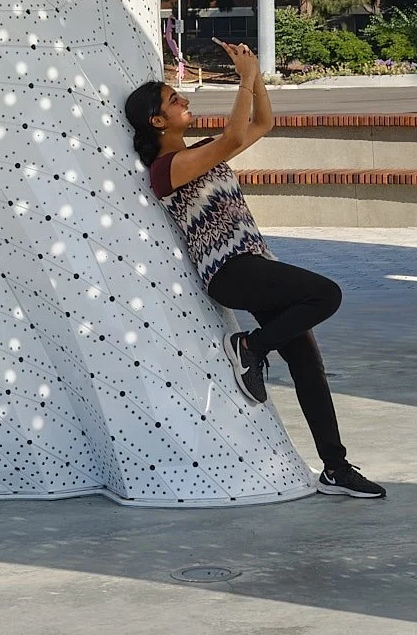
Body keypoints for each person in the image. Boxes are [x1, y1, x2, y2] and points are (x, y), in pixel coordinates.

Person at [125, 40, 385, 499]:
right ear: (156, 121)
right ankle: (249, 345)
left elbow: (263, 123)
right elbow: (231, 138)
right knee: (326, 294)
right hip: (231, 272)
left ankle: (335, 467)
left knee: (309, 366)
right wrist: (243, 80)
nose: (184, 100)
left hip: (255, 265)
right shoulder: (168, 169)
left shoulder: (201, 151)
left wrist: (257, 75)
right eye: (173, 99)